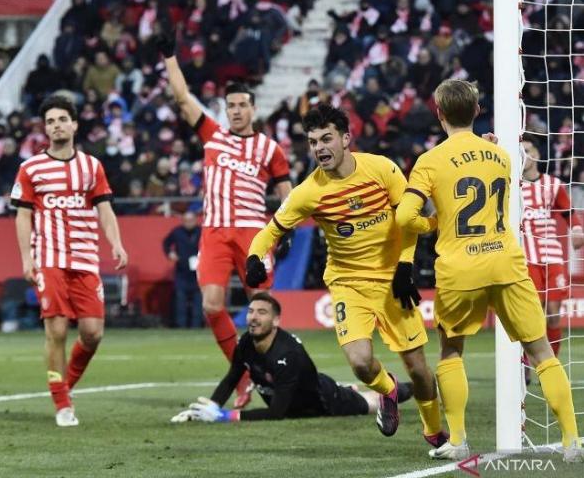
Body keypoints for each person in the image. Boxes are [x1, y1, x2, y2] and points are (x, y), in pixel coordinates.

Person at [396, 79, 582, 462]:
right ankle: (571, 441)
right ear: (477, 112)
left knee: (451, 351)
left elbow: (404, 216)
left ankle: (460, 439)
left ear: (439, 114)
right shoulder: (500, 156)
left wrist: (432, 226)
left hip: (460, 267)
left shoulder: (430, 161)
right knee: (541, 350)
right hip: (506, 261)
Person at [245, 103, 446, 447]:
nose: (320, 148)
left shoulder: (382, 169)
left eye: (326, 138)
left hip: (392, 280)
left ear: (346, 138)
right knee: (360, 363)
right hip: (348, 283)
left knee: (419, 369)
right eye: (312, 142)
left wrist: (405, 265)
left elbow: (409, 221)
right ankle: (389, 389)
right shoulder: (309, 192)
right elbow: (271, 230)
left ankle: (433, 432)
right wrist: (253, 256)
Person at [157, 30, 292, 408]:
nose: (235, 110)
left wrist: (289, 226)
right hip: (214, 232)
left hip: (254, 234)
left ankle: (276, 377)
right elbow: (183, 98)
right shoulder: (212, 135)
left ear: (253, 108)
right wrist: (170, 56)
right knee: (212, 306)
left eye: (242, 105)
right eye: (230, 105)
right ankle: (245, 378)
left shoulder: (270, 148)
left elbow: (286, 190)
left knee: (261, 309)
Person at [10, 95, 128, 427]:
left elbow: (105, 208)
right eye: (50, 121)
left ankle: (65, 386)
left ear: (74, 124)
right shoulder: (30, 168)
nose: (56, 126)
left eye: (62, 119)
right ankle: (62, 404)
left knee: (92, 333)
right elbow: (22, 217)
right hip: (49, 257)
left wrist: (116, 243)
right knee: (57, 329)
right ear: (44, 128)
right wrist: (26, 259)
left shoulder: (92, 167)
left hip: (86, 259)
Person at [170, 292, 414, 422]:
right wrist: (209, 408)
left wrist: (225, 417)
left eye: (262, 313)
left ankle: (419, 386)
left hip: (324, 403)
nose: (253, 317)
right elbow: (233, 376)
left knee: (374, 402)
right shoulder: (246, 342)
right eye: (251, 311)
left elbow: (277, 413)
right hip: (301, 392)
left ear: (276, 321)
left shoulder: (287, 355)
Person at [520, 138, 584, 361]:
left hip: (552, 256)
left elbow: (569, 211)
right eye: (520, 151)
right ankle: (527, 363)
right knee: (532, 315)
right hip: (526, 259)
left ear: (536, 154)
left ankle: (551, 364)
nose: (523, 155)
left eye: (527, 150)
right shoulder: (513, 186)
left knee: (554, 314)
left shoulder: (553, 184)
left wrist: (576, 229)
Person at [163, 211, 202, 328]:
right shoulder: (177, 232)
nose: (188, 223)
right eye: (186, 221)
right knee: (180, 300)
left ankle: (196, 326)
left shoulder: (202, 232)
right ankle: (181, 326)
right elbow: (166, 243)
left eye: (191, 220)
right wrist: (170, 253)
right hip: (182, 271)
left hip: (198, 271)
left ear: (196, 220)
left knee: (198, 300)